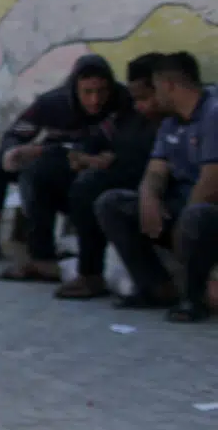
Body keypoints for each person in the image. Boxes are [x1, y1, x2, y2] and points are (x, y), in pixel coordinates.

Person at [0, 54, 127, 262]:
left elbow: (116, 147)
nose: (95, 100)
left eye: (102, 91)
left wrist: (46, 151)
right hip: (57, 160)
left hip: (93, 169)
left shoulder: (122, 103)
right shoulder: (51, 103)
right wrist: (12, 152)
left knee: (36, 174)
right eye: (88, 92)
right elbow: (16, 133)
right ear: (74, 88)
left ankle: (43, 251)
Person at [95, 53, 218, 322]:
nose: (153, 95)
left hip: (207, 211)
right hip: (183, 207)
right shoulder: (170, 121)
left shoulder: (213, 112)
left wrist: (182, 225)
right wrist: (148, 197)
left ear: (169, 86)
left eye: (156, 87)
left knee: (196, 216)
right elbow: (156, 168)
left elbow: (212, 180)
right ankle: (155, 287)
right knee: (112, 204)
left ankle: (192, 299)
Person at [52, 54, 165, 299]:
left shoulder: (170, 121)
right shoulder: (134, 114)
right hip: (124, 175)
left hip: (148, 183)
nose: (139, 105)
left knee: (91, 188)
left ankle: (91, 274)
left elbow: (150, 163)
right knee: (49, 172)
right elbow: (101, 141)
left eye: (145, 98)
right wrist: (83, 155)